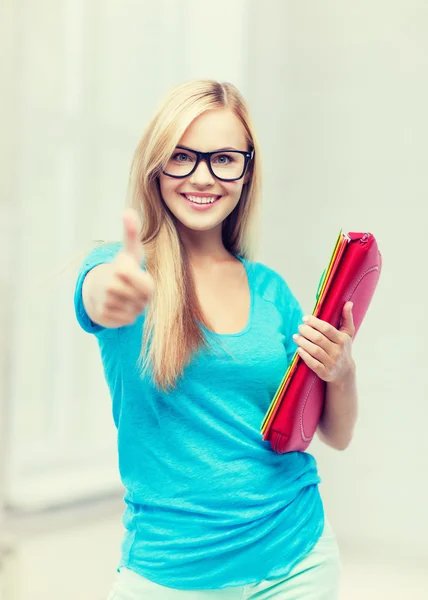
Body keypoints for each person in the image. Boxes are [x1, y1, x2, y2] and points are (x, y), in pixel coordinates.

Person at [74, 79, 358, 600]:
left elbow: (333, 435)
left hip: (298, 560)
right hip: (171, 574)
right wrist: (113, 293)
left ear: (247, 171)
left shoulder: (271, 290)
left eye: (224, 158)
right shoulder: (120, 269)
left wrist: (342, 372)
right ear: (156, 166)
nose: (203, 176)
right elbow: (99, 296)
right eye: (182, 156)